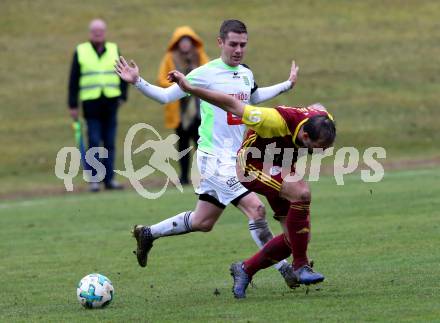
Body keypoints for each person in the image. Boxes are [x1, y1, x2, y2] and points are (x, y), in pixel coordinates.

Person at [115, 20, 299, 288]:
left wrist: (286, 85)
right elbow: (167, 97)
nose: (238, 50)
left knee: (203, 221)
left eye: (243, 45)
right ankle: (285, 269)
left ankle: (148, 233)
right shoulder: (206, 73)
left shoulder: (245, 73)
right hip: (214, 159)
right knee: (256, 209)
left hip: (234, 159)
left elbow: (254, 98)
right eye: (233, 44)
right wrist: (137, 82)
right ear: (220, 42)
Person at [167, 66, 336, 298]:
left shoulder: (322, 121)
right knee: (302, 193)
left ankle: (245, 270)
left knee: (294, 237)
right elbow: (230, 103)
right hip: (250, 166)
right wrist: (190, 88)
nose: (322, 152)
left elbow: (319, 108)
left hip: (281, 166)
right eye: (319, 147)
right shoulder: (272, 120)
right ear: (305, 136)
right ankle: (300, 266)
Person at [68, 18, 127, 192]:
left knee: (109, 142)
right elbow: (73, 79)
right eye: (95, 31)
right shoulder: (81, 51)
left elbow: (123, 72)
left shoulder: (114, 49)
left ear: (105, 32)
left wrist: (123, 95)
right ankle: (94, 180)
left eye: (101, 31)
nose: (98, 34)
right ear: (90, 33)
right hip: (91, 104)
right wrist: (72, 104)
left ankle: (109, 180)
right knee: (94, 141)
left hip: (111, 103)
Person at [157, 26, 209, 184]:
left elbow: (209, 74)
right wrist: (176, 85)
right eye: (182, 41)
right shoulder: (170, 57)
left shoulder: (199, 56)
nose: (185, 45)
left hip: (199, 109)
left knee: (201, 143)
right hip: (179, 110)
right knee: (183, 144)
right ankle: (184, 176)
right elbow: (161, 79)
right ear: (177, 43)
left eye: (188, 41)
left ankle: (203, 175)